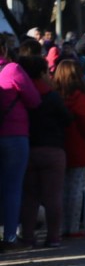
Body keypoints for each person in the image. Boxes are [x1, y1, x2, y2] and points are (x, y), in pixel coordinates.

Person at [17, 55, 71, 248]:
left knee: (29, 197)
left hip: (28, 148)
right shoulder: (51, 95)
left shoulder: (20, 94)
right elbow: (66, 119)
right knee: (53, 196)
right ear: (42, 72)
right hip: (53, 149)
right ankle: (53, 237)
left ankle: (28, 237)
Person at [0, 33, 41, 251]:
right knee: (13, 188)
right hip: (14, 135)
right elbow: (34, 100)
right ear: (5, 50)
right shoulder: (12, 70)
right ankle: (10, 237)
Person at [54, 59, 85, 237]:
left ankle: (60, 227)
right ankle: (72, 227)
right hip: (80, 147)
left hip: (60, 146)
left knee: (61, 190)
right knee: (76, 190)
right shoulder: (80, 97)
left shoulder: (55, 95)